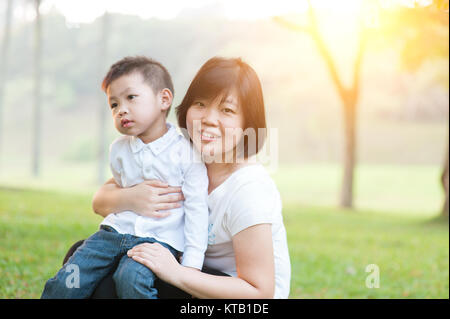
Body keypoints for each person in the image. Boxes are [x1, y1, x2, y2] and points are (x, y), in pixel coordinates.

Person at [93, 57, 291, 298]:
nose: (208, 118)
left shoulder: (248, 189)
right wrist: (132, 198)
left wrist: (175, 272)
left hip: (233, 292)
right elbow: (100, 201)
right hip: (190, 269)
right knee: (85, 259)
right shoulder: (181, 153)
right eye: (200, 104)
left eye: (227, 110)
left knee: (113, 285)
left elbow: (260, 292)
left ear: (247, 122)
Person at [41, 56, 209, 299]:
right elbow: (116, 189)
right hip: (111, 236)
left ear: (164, 99)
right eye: (114, 104)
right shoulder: (118, 150)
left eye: (131, 98)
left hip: (158, 242)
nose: (122, 110)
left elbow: (197, 209)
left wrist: (191, 265)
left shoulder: (186, 153)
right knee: (69, 278)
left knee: (131, 278)